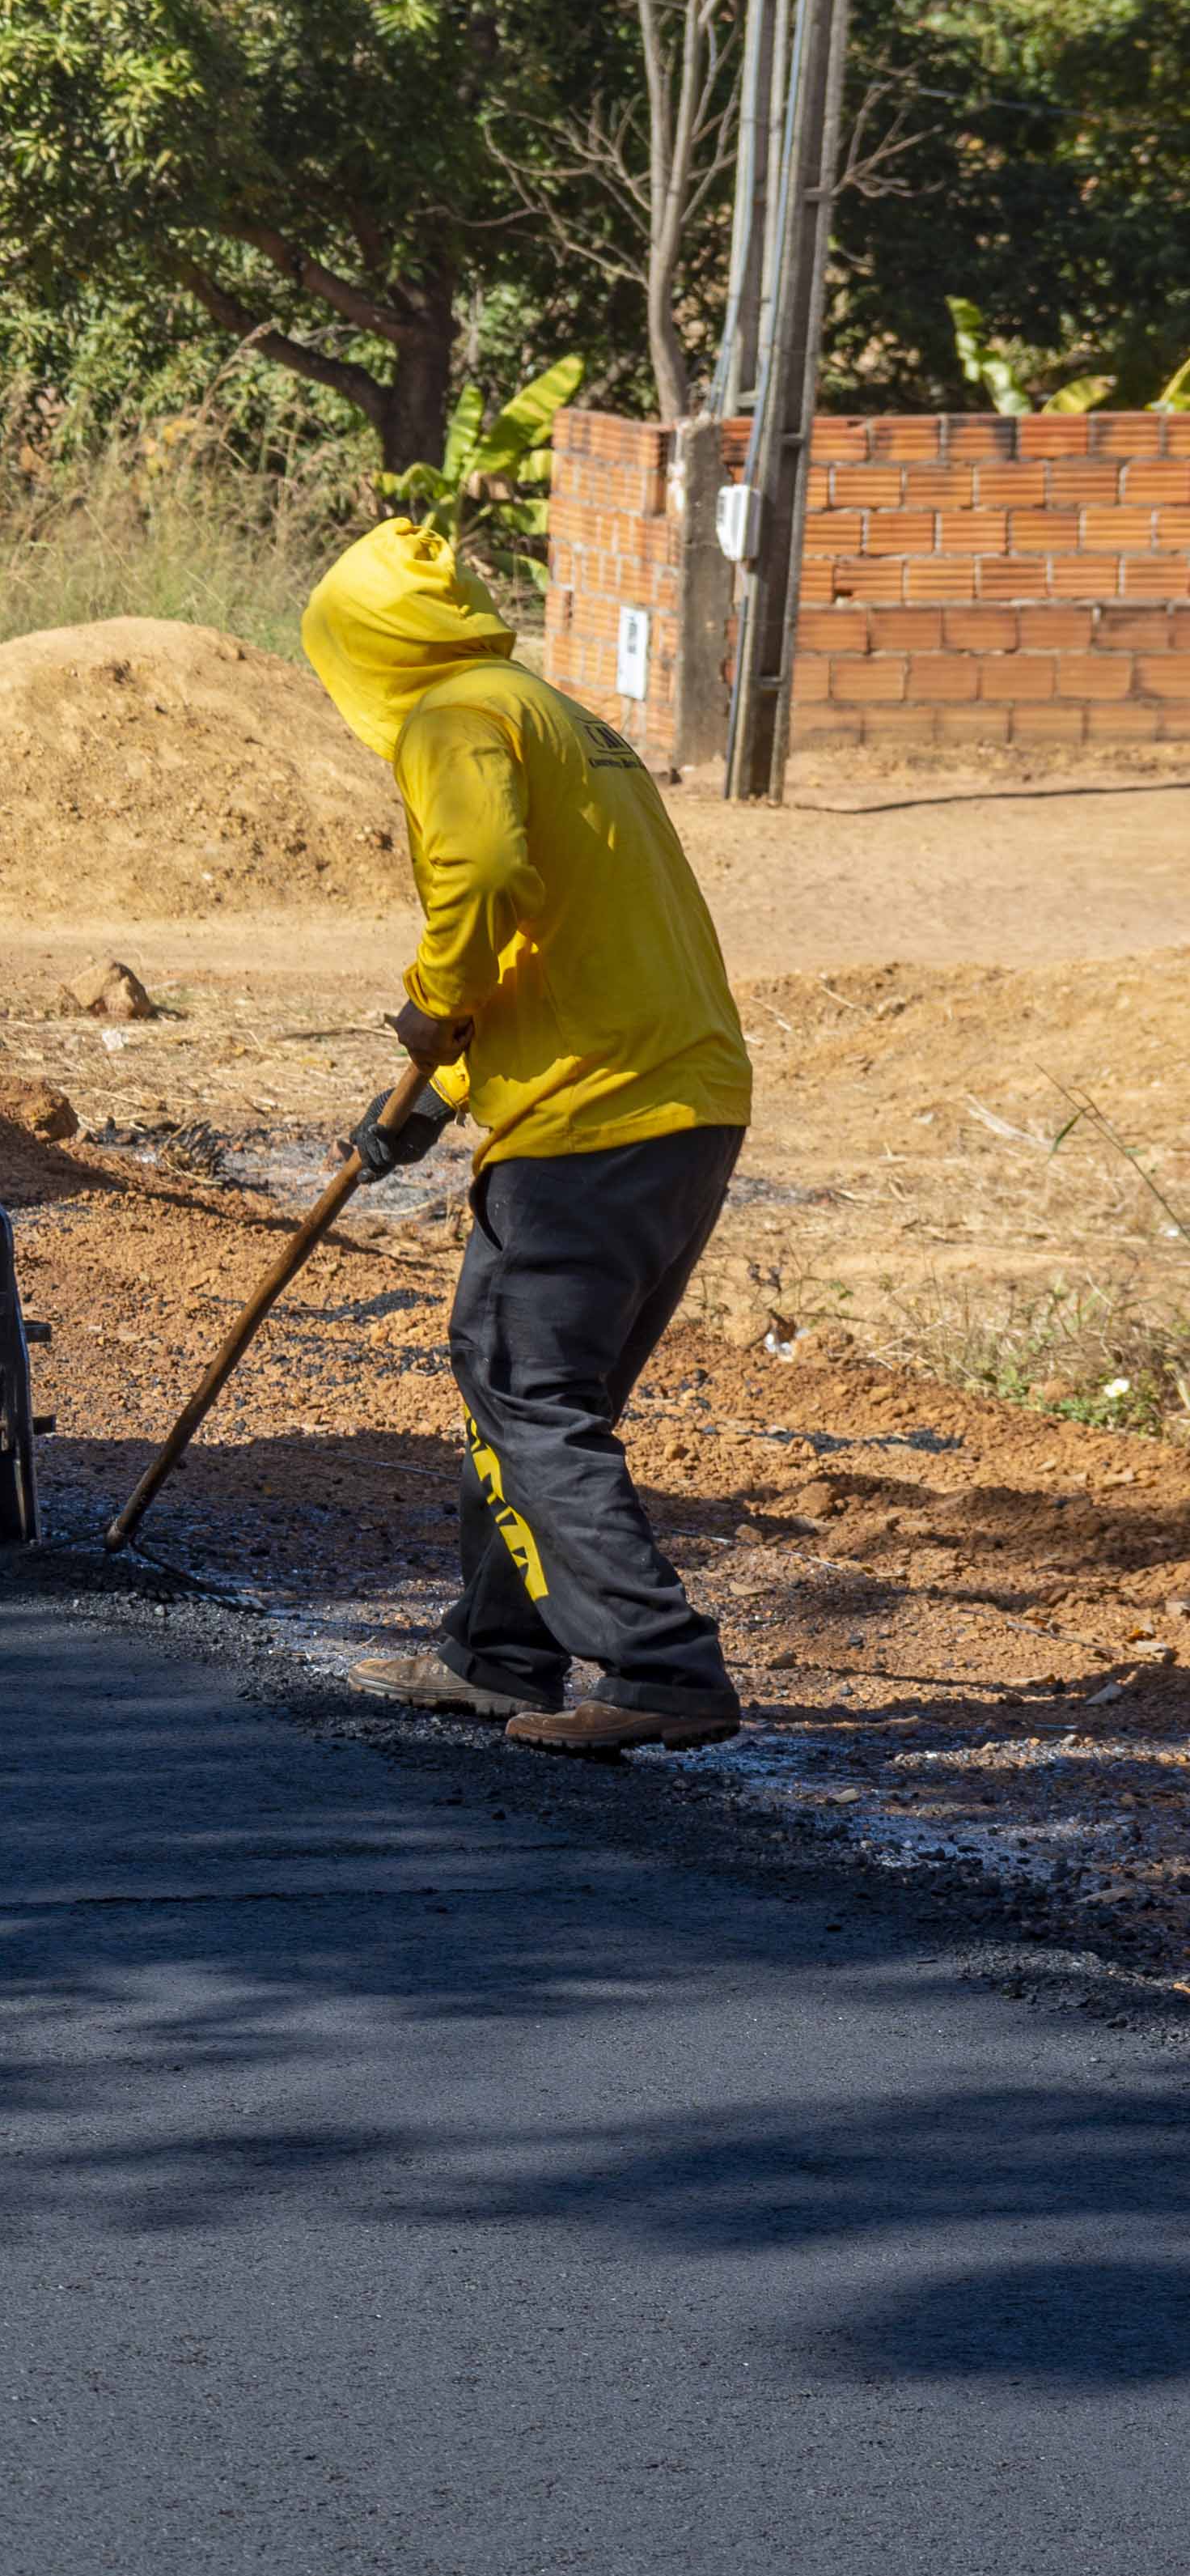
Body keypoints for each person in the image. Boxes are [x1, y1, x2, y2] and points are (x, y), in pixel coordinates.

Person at [307, 515, 756, 1755]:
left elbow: (489, 877)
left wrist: (434, 1004)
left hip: (597, 1115)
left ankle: (660, 1665)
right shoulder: (550, 713)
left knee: (524, 1384)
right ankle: (502, 1658)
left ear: (363, 648)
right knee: (533, 1394)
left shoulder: (452, 717)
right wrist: (444, 1097)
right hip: (683, 1102)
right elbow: (550, 938)